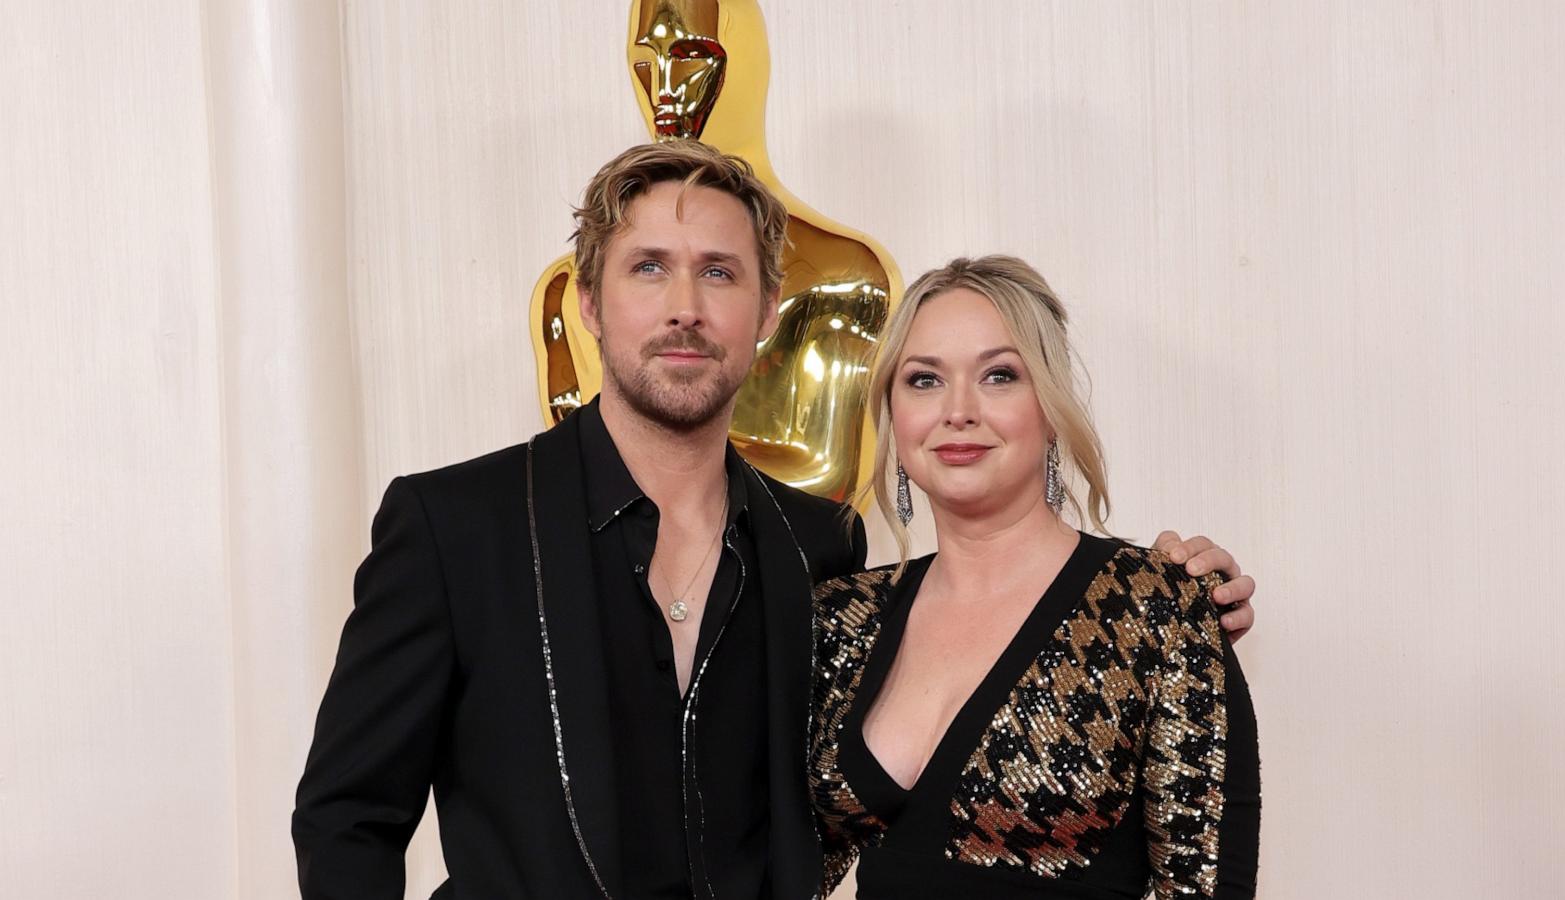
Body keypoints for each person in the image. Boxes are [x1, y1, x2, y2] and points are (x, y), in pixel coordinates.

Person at [293, 141, 1257, 900]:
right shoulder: (455, 524)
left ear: (765, 311)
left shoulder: (819, 550)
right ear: (587, 302)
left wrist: (1162, 592)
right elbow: (347, 815)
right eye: (647, 270)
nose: (684, 308)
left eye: (718, 272)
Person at [810, 256, 1260, 899]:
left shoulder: (1155, 609)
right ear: (892, 413)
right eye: (923, 379)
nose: (957, 410)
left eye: (999, 375)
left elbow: (1207, 887)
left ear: (1050, 408)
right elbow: (775, 866)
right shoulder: (842, 616)